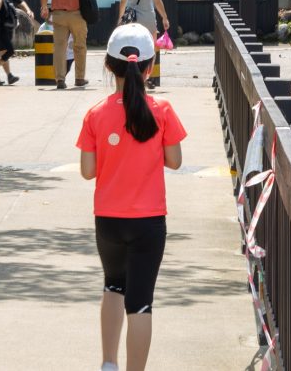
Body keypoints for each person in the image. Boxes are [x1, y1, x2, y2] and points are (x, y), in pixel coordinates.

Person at [77, 24, 187, 371]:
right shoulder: (163, 110)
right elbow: (175, 161)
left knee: (112, 284)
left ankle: (108, 363)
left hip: (108, 219)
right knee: (140, 301)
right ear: (150, 67)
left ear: (109, 66)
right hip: (149, 221)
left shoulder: (95, 114)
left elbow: (87, 171)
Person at [40, 0, 96, 89]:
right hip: (77, 15)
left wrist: (44, 7)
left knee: (59, 48)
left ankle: (60, 79)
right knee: (80, 47)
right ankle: (79, 78)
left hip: (58, 16)